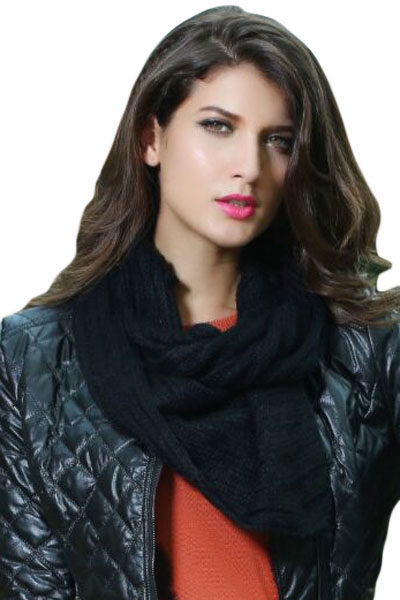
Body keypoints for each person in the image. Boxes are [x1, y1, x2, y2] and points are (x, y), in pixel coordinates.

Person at [1, 5, 399, 599]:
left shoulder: (366, 349)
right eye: (218, 126)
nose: (249, 168)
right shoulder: (33, 361)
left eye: (278, 140)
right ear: (151, 138)